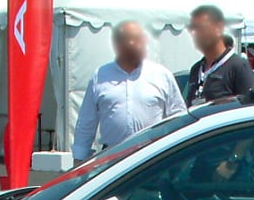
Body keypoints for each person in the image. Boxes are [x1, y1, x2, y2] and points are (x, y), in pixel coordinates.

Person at [72, 21, 185, 165]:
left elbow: (178, 119)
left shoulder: (161, 75)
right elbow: (86, 122)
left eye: (139, 40)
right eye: (130, 41)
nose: (136, 46)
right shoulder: (100, 76)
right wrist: (79, 159)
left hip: (152, 158)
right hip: (111, 159)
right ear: (117, 44)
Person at [184, 5, 254, 107]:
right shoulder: (196, 69)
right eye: (194, 29)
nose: (197, 34)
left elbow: (250, 106)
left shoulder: (238, 65)